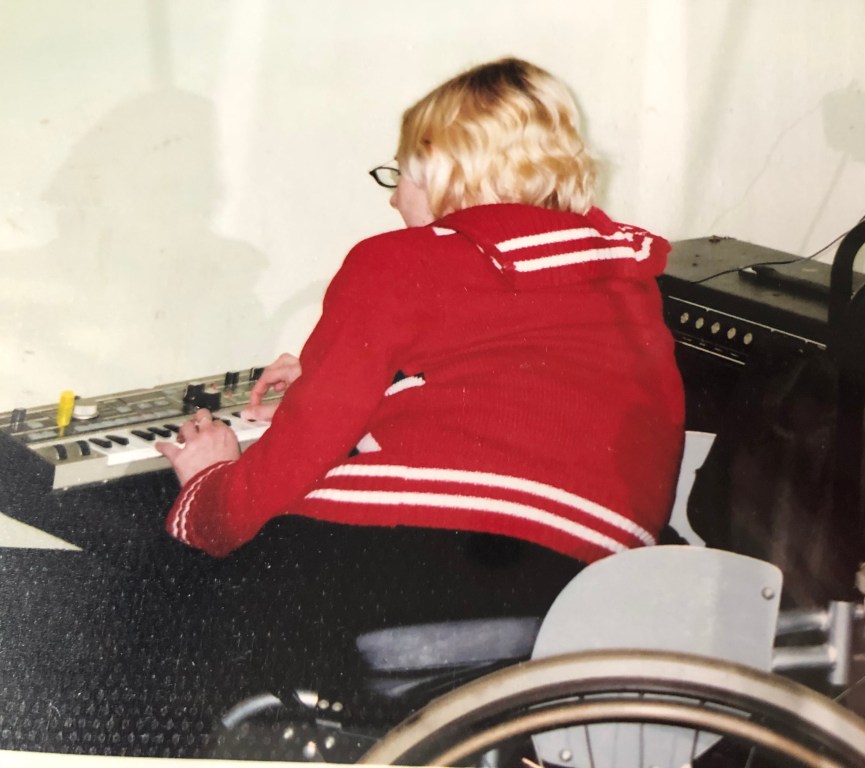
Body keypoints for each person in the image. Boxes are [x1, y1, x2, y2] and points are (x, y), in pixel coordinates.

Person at [154, 56, 685, 655]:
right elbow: (515, 388)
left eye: (400, 174)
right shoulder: (626, 279)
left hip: (434, 554)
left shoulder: (396, 259)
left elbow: (301, 449)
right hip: (598, 588)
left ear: (441, 169)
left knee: (165, 585)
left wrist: (207, 493)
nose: (393, 200)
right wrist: (349, 377)